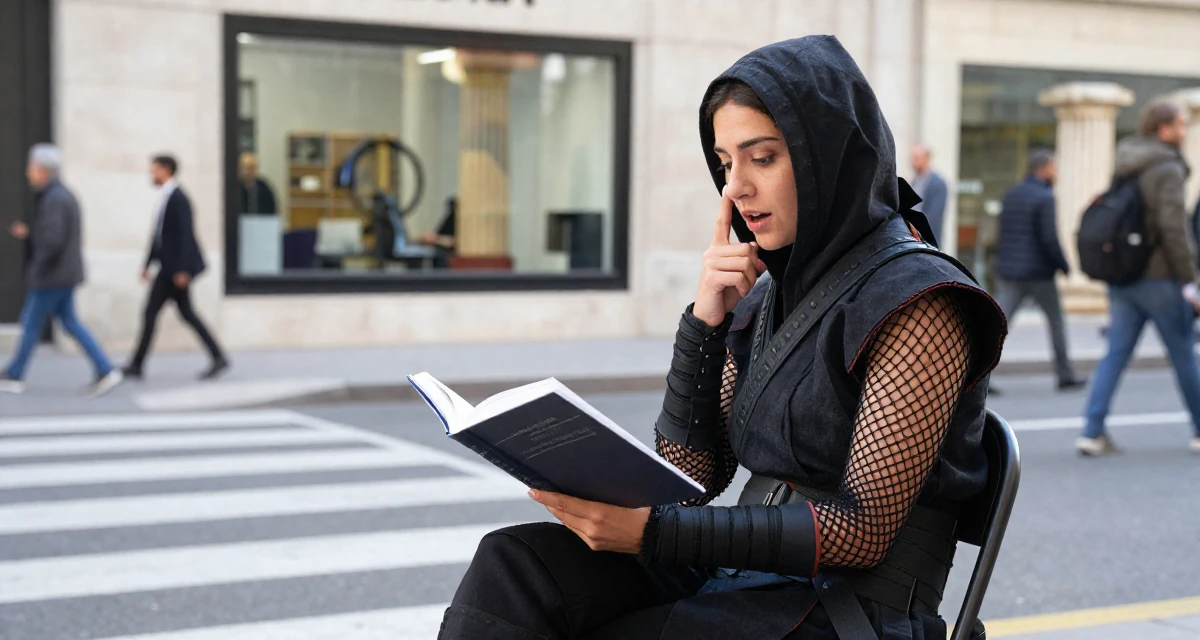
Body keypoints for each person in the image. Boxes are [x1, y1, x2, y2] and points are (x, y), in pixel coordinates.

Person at [438, 36, 1006, 640]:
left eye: (762, 158)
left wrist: (651, 533)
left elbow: (863, 532)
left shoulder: (923, 300)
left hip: (846, 611)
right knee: (517, 566)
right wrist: (704, 324)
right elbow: (693, 476)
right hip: (747, 575)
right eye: (726, 162)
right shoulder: (768, 290)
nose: (735, 187)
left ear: (827, 157)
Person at [1081, 100, 1200, 456]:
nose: (1184, 131)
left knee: (1115, 354)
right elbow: (1173, 228)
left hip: (1124, 275)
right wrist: (1190, 279)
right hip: (1159, 277)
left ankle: (1091, 432)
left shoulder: (1128, 160)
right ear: (1164, 128)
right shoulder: (1167, 167)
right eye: (1180, 124)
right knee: (1183, 354)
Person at [0, 144, 123, 397]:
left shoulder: (54, 199)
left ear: (44, 170)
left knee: (31, 322)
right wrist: (31, 234)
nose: (28, 172)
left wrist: (37, 266)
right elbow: (52, 236)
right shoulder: (59, 196)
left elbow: (53, 241)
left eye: (32, 167)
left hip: (52, 276)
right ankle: (105, 368)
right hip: (61, 274)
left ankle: (14, 374)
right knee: (69, 322)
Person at [123, 155, 229, 381]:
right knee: (185, 314)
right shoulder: (166, 197)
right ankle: (218, 356)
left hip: (174, 271)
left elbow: (184, 235)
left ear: (166, 170)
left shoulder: (179, 198)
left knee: (153, 313)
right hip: (168, 267)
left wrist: (183, 270)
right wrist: (147, 264)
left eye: (155, 170)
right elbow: (159, 235)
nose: (152, 174)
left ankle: (137, 364)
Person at [992, 149, 1086, 391]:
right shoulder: (1045, 197)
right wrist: (1064, 265)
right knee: (1056, 322)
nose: (1056, 172)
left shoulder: (1011, 194)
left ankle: (978, 378)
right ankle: (1065, 374)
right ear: (1043, 169)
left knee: (998, 325)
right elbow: (1049, 238)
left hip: (1010, 272)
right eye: (1053, 167)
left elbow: (1001, 233)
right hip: (1039, 273)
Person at [910, 144, 948, 245]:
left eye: (916, 158)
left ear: (926, 158)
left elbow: (934, 216)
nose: (913, 162)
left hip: (927, 240)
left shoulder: (938, 184)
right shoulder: (915, 181)